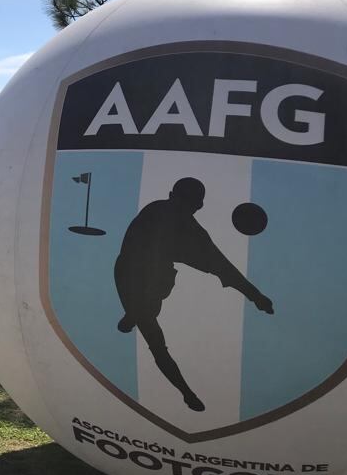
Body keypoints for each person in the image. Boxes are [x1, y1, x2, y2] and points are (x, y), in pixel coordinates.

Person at [114, 177, 274, 412]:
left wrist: (255, 295)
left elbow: (222, 266)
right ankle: (186, 391)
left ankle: (137, 313)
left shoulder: (185, 228)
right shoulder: (170, 221)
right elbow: (222, 266)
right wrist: (256, 296)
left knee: (151, 315)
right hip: (132, 275)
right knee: (155, 339)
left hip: (148, 274)